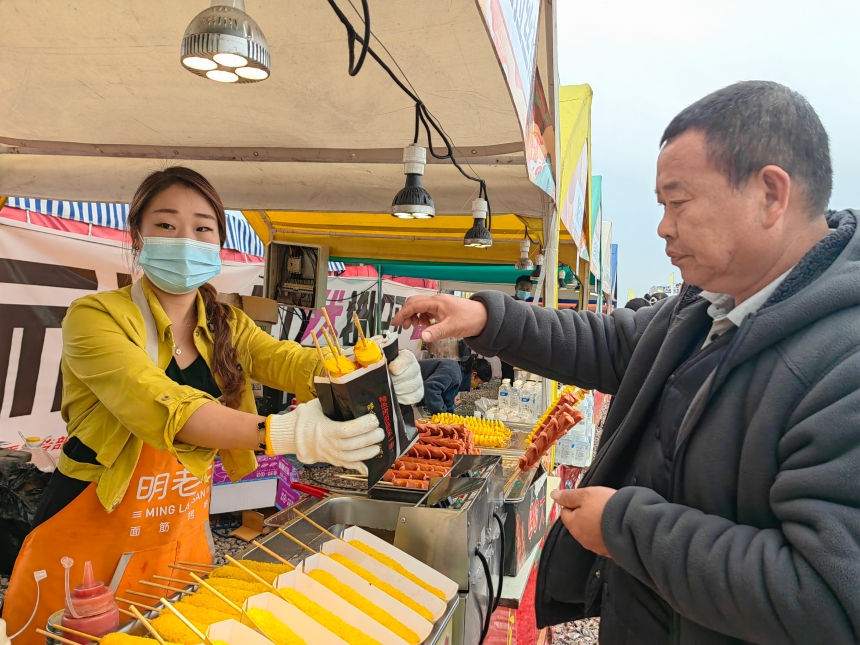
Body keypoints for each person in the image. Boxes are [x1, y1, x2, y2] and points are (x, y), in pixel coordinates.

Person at [392, 81, 860, 644]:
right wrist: (488, 319)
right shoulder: (702, 309)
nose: (663, 227)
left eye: (678, 203)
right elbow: (608, 344)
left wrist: (625, 528)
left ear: (770, 195)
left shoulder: (841, 360)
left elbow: (827, 597)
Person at [1, 167, 422, 642]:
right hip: (90, 527)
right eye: (166, 225)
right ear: (137, 236)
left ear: (218, 243)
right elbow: (162, 404)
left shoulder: (228, 323)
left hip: (179, 527)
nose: (185, 239)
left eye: (202, 228)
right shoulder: (95, 317)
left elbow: (289, 361)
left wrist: (366, 370)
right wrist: (279, 434)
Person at [417, 357, 492, 414]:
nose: (475, 387)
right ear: (474, 374)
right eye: (478, 383)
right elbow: (431, 388)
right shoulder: (453, 373)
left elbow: (447, 398)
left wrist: (451, 418)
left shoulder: (459, 374)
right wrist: (441, 415)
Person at [500, 275, 534, 382]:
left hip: (522, 350)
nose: (525, 291)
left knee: (522, 380)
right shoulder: (507, 305)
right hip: (507, 349)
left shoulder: (529, 308)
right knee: (507, 378)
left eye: (528, 289)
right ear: (516, 288)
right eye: (522, 289)